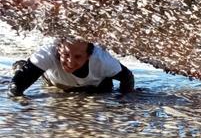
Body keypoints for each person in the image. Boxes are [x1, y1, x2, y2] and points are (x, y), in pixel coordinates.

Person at [7, 38, 135, 97]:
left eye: (78, 57)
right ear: (58, 50)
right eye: (66, 55)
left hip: (94, 87)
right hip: (54, 81)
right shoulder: (47, 53)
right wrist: (23, 110)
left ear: (89, 55)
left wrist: (122, 101)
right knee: (22, 71)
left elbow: (127, 78)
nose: (70, 62)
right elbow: (15, 88)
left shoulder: (102, 60)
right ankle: (21, 65)